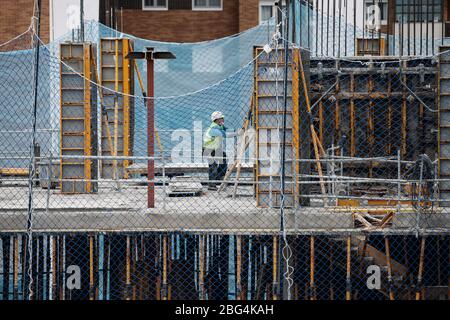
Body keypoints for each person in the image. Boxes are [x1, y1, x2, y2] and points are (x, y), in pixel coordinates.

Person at [203, 111, 239, 191]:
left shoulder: (219, 126)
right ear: (217, 119)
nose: (223, 119)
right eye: (221, 118)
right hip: (209, 149)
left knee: (224, 158)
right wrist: (237, 133)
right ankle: (211, 184)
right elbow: (225, 135)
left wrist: (237, 131)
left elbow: (226, 129)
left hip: (215, 149)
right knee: (213, 166)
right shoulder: (213, 129)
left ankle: (219, 176)